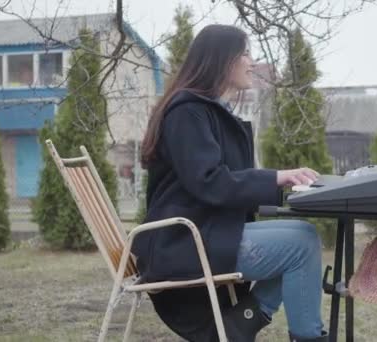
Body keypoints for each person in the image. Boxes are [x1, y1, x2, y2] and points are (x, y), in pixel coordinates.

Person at [133, 24, 329, 342]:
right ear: (222, 60)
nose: (251, 62)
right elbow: (210, 181)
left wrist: (285, 190)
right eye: (246, 53)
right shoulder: (188, 112)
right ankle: (282, 331)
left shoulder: (203, 111)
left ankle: (242, 323)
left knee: (304, 236)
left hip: (202, 232)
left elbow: (226, 184)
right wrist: (275, 177)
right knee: (301, 246)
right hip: (183, 243)